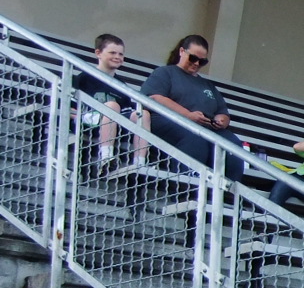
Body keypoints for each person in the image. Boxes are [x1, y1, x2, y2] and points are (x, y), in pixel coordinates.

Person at [141, 35, 247, 179]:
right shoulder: (165, 72)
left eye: (202, 61)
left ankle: (229, 190)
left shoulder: (207, 85)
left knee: (232, 143)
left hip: (205, 127)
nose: (197, 63)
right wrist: (188, 115)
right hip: (170, 122)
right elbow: (154, 97)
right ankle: (183, 187)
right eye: (193, 58)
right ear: (181, 52)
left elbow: (223, 112)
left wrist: (221, 120)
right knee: (194, 137)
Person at [72, 33, 150, 167]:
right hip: (86, 120)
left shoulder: (121, 85)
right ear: (98, 53)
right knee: (112, 106)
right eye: (112, 52)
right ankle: (106, 157)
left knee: (144, 114)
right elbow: (70, 106)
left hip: (114, 126)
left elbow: (128, 110)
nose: (117, 57)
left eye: (121, 54)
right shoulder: (84, 77)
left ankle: (139, 163)